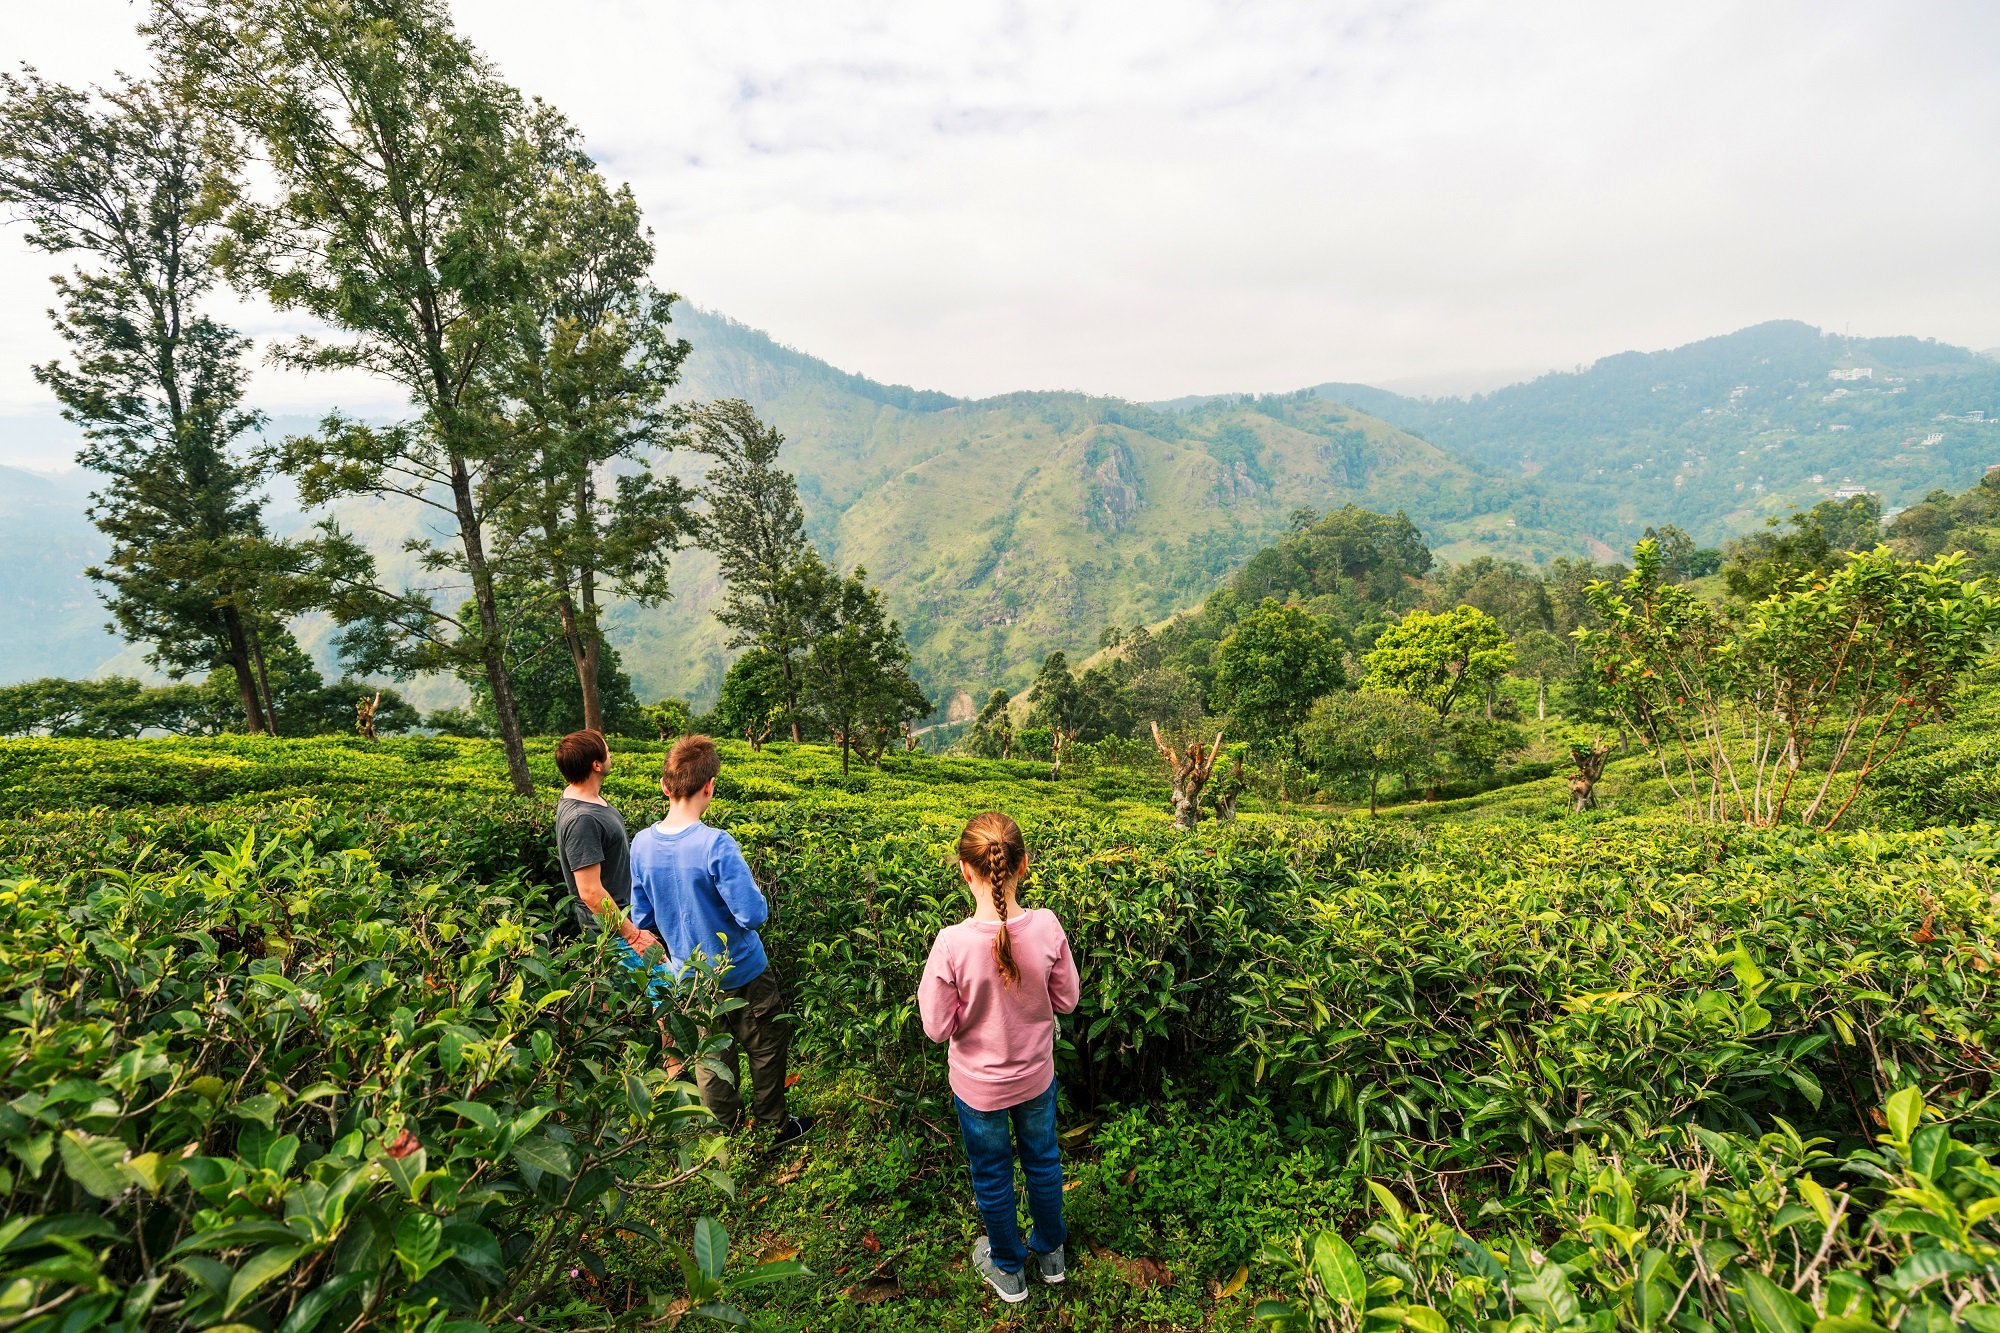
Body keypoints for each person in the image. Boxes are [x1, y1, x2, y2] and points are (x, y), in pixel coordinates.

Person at [918, 811, 1081, 1305]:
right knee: (1043, 1161)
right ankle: (1051, 1253)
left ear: (965, 870)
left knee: (991, 1174)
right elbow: (1067, 1000)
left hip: (979, 1089)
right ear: (1023, 865)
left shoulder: (951, 944)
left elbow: (936, 1027)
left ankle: (1008, 1268)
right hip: (1035, 1078)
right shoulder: (1047, 926)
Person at [630, 734, 813, 1146]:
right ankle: (773, 1126)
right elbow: (753, 914)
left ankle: (725, 1138)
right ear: (710, 786)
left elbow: (641, 918)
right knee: (765, 1047)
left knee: (710, 1059)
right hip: (743, 971)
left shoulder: (641, 844)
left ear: (664, 786)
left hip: (689, 977)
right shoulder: (716, 844)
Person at [554, 729, 664, 987]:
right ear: (596, 764)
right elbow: (590, 892)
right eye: (607, 750)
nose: (610, 754)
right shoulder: (582, 819)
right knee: (664, 993)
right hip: (613, 932)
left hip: (621, 921)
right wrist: (633, 936)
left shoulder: (583, 797)